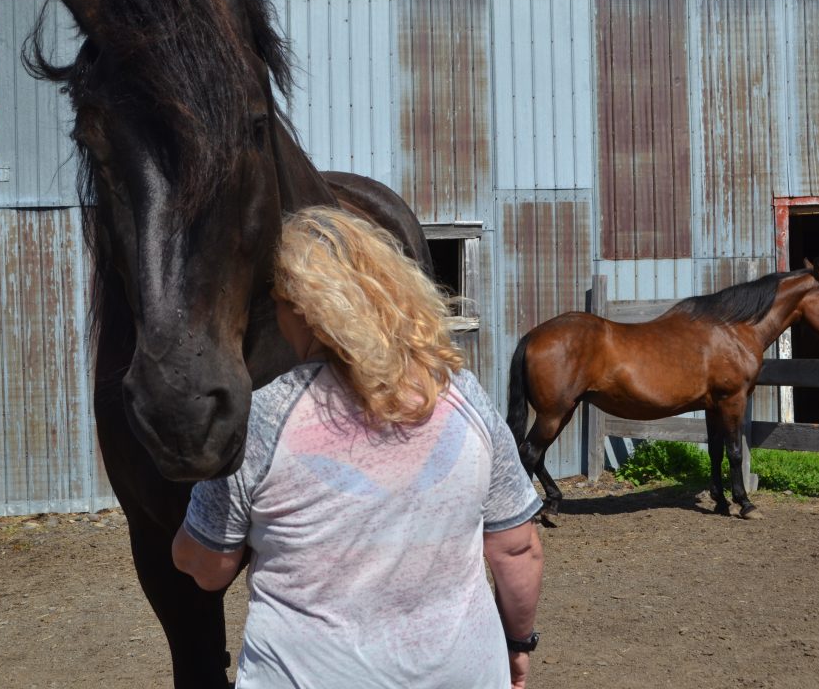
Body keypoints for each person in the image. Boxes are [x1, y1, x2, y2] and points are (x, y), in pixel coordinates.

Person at [173, 206, 544, 689]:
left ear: (305, 309)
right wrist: (518, 644)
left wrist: (182, 541)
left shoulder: (263, 416)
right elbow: (518, 549)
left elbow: (207, 568)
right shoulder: (462, 393)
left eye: (279, 302)